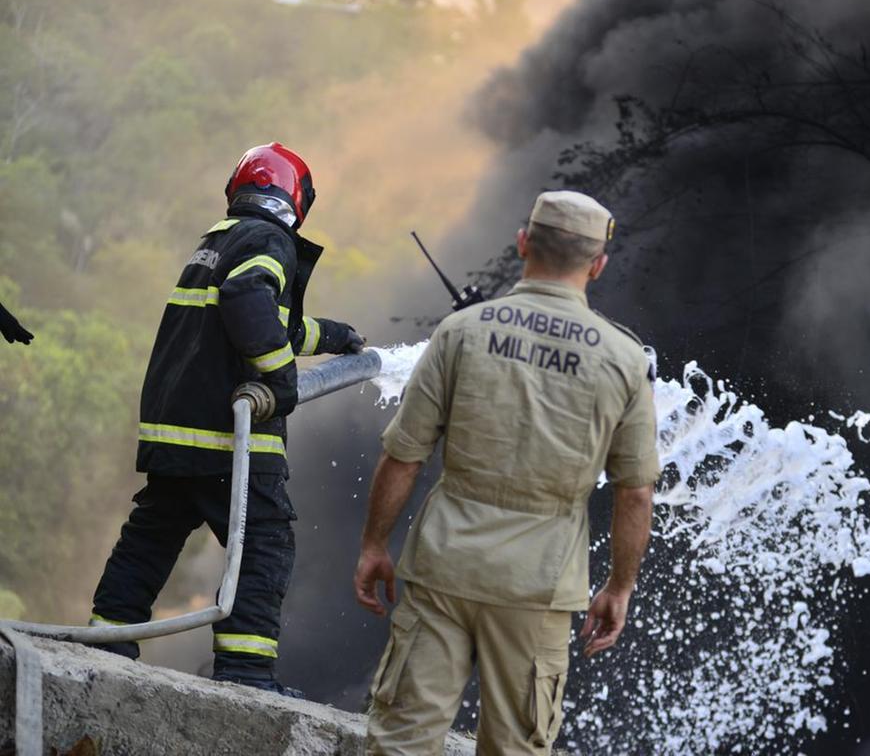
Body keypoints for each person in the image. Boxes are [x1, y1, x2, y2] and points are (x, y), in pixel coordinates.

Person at [354, 190, 660, 754]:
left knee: (400, 740)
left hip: (443, 567)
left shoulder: (462, 332)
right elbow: (634, 492)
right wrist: (619, 586)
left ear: (523, 244)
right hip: (539, 587)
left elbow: (405, 454)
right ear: (598, 264)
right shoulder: (624, 359)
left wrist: (375, 543)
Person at [89, 142, 363, 696]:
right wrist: (280, 382)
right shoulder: (268, 240)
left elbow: (267, 321)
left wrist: (334, 337)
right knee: (265, 541)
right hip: (226, 434)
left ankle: (107, 640)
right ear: (296, 198)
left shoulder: (219, 241)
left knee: (155, 533)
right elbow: (246, 300)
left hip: (176, 428)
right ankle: (245, 673)